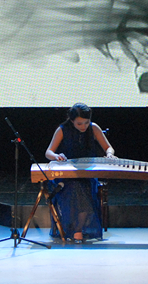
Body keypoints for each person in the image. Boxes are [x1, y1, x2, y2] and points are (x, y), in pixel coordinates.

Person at [45, 103, 115, 242]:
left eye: (86, 122)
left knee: (84, 187)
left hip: (87, 174)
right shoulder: (62, 130)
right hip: (67, 175)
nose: (83, 126)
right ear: (72, 121)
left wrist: (109, 154)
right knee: (75, 188)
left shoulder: (94, 128)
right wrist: (57, 156)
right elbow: (48, 152)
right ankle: (76, 230)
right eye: (79, 123)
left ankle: (77, 229)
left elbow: (109, 147)